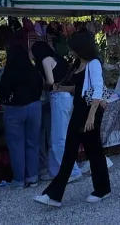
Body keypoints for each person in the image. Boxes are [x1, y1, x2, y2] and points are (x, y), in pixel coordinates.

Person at [34, 31, 110, 208]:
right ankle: (54, 195)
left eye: (73, 48)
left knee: (94, 152)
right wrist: (60, 88)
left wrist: (91, 116)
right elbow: (79, 88)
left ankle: (102, 189)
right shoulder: (77, 65)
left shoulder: (94, 64)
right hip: (79, 110)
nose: (71, 51)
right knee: (70, 152)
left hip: (90, 111)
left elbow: (97, 90)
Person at [31, 40, 83, 183]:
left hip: (58, 97)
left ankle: (72, 171)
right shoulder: (57, 59)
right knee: (56, 137)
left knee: (58, 138)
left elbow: (50, 80)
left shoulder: (46, 61)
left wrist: (42, 88)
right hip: (66, 98)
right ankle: (54, 171)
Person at [0, 35, 44, 188]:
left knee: (16, 145)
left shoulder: (9, 71)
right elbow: (40, 86)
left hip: (15, 109)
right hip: (34, 107)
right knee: (33, 142)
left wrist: (5, 101)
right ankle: (33, 177)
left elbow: (2, 93)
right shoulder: (33, 70)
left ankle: (19, 179)